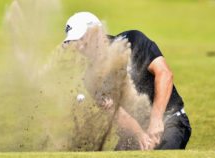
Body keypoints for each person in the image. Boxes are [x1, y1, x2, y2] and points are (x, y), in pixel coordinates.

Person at [63, 12, 191, 150]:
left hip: (169, 120)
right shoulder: (90, 78)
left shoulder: (133, 41)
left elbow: (164, 74)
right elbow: (116, 112)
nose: (80, 47)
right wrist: (139, 134)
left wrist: (156, 120)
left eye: (83, 39)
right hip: (134, 132)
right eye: (75, 42)